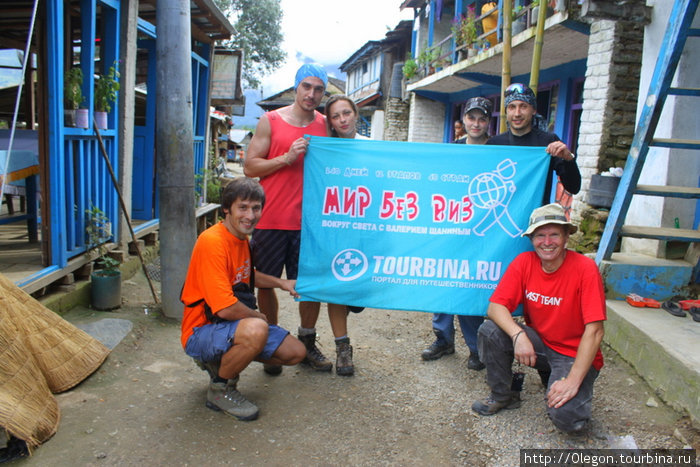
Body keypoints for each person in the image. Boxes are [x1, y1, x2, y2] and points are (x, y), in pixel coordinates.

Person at [471, 203, 606, 433]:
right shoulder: (525, 262)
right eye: (540, 235)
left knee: (569, 421)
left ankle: (562, 382)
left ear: (566, 238)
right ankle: (504, 395)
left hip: (573, 353)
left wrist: (572, 381)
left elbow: (595, 331)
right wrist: (518, 336)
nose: (547, 242)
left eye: (554, 234)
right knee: (490, 330)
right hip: (540, 344)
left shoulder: (585, 268)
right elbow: (495, 307)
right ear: (532, 239)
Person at [180, 177, 306, 421]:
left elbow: (246, 276)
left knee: (295, 352)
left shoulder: (241, 240)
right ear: (227, 208)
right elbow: (226, 308)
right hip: (200, 330)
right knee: (256, 328)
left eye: (256, 208)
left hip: (227, 328)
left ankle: (222, 362)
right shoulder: (212, 242)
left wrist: (281, 282)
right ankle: (220, 389)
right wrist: (258, 317)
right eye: (243, 207)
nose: (250, 215)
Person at [244, 63, 333, 375]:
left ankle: (306, 342)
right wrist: (286, 158)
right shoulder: (270, 120)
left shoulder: (325, 124)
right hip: (270, 219)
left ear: (324, 93)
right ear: (296, 87)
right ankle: (272, 344)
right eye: (306, 87)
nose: (311, 94)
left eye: (318, 89)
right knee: (265, 284)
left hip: (310, 224)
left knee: (311, 286)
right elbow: (250, 167)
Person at [421, 96, 493, 370]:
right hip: (451, 226)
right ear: (463, 120)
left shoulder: (497, 149)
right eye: (471, 118)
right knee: (443, 282)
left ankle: (476, 347)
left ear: (488, 122)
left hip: (481, 232)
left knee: (468, 286)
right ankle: (443, 339)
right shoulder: (451, 150)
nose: (476, 123)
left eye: (482, 118)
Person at [320, 94, 369, 376]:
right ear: (331, 122)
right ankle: (343, 348)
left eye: (346, 113)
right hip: (335, 229)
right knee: (336, 286)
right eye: (336, 116)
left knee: (357, 298)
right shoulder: (326, 150)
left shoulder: (373, 148)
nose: (343, 120)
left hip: (367, 230)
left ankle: (352, 301)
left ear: (355, 113)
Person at [486, 83, 581, 206]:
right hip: (502, 216)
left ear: (533, 110)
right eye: (512, 107)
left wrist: (568, 159)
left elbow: (574, 187)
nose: (517, 113)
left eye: (523, 106)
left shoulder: (548, 142)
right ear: (506, 111)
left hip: (536, 220)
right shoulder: (494, 145)